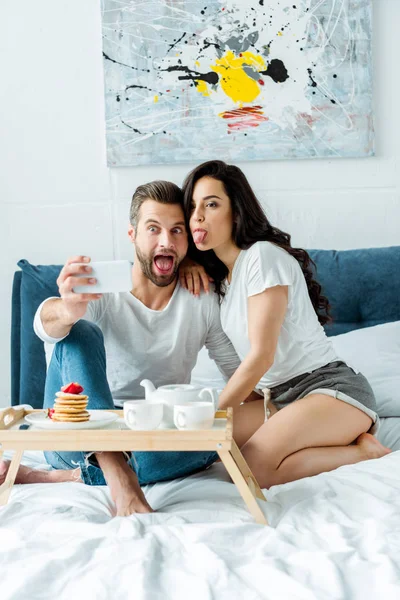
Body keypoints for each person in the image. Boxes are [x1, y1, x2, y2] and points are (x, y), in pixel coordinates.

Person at [0, 180, 259, 517]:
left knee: (216, 432)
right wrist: (67, 310)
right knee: (80, 333)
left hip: (150, 436)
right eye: (153, 229)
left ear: (189, 240)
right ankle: (116, 470)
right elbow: (44, 322)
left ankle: (54, 477)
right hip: (76, 430)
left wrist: (277, 408)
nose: (166, 241)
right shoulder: (102, 289)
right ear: (132, 234)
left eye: (177, 230)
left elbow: (238, 375)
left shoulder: (202, 299)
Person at [179, 160, 391, 489]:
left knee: (252, 467)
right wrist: (187, 260)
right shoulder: (224, 282)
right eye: (192, 207)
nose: (198, 216)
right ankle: (324, 441)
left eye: (211, 204)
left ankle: (365, 452)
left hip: (330, 390)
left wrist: (214, 413)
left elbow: (262, 356)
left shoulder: (262, 257)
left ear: (236, 212)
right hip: (278, 399)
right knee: (208, 447)